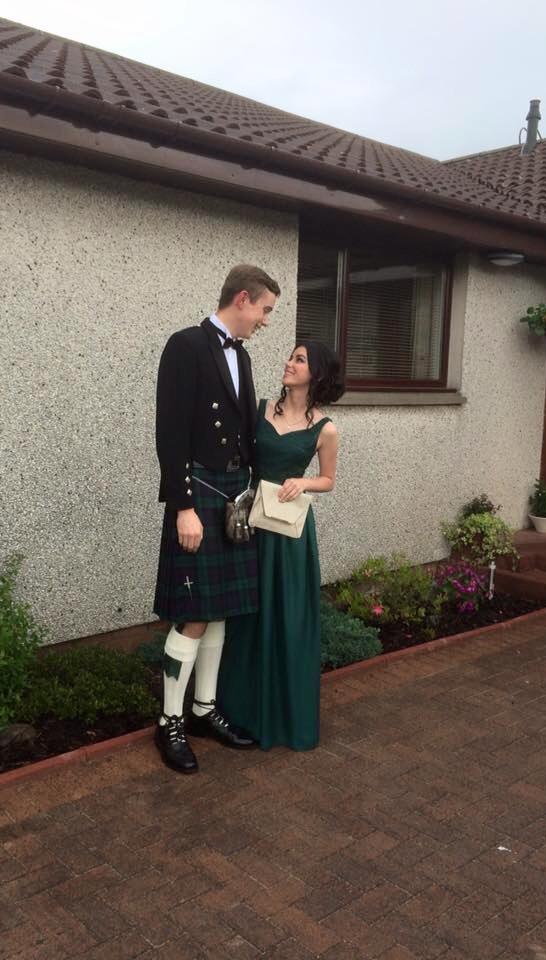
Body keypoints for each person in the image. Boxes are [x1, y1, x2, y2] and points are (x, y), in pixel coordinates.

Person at [153, 264, 281, 774]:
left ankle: (204, 710)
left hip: (233, 493)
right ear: (243, 299)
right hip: (200, 495)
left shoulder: (241, 355)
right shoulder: (185, 345)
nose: (266, 320)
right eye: (265, 310)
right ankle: (170, 721)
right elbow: (170, 433)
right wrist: (183, 506)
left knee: (221, 610)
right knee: (194, 613)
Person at [218, 341, 344, 751]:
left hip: (289, 536)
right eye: (291, 356)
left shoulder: (325, 429)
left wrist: (303, 482)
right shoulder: (260, 409)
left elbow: (328, 480)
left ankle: (283, 717)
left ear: (316, 374)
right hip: (252, 526)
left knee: (286, 619)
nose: (289, 363)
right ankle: (237, 714)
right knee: (247, 619)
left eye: (299, 359)